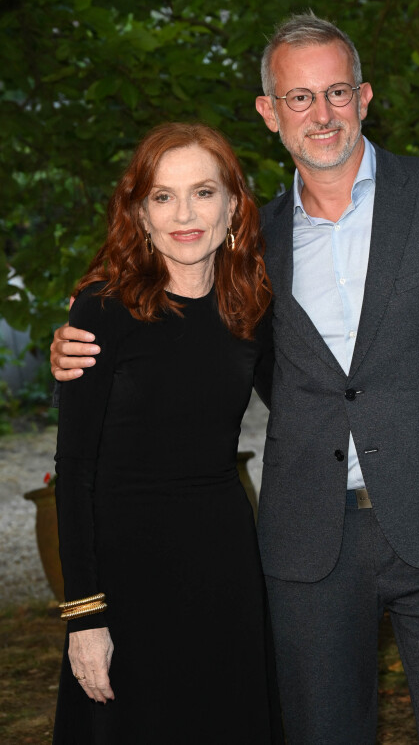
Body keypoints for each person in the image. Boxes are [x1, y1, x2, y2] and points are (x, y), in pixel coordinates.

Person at [51, 14, 419, 744]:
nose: (322, 113)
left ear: (365, 97)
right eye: (300, 97)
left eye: (336, 92)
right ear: (270, 112)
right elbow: (170, 326)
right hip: (309, 544)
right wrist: (74, 342)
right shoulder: (254, 246)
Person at [51, 122, 283, 744]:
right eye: (162, 196)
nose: (184, 214)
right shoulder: (103, 307)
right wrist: (84, 616)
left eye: (203, 193)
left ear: (233, 203)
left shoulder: (251, 305)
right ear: (139, 211)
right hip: (127, 582)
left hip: (224, 569)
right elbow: (73, 473)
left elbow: (309, 403)